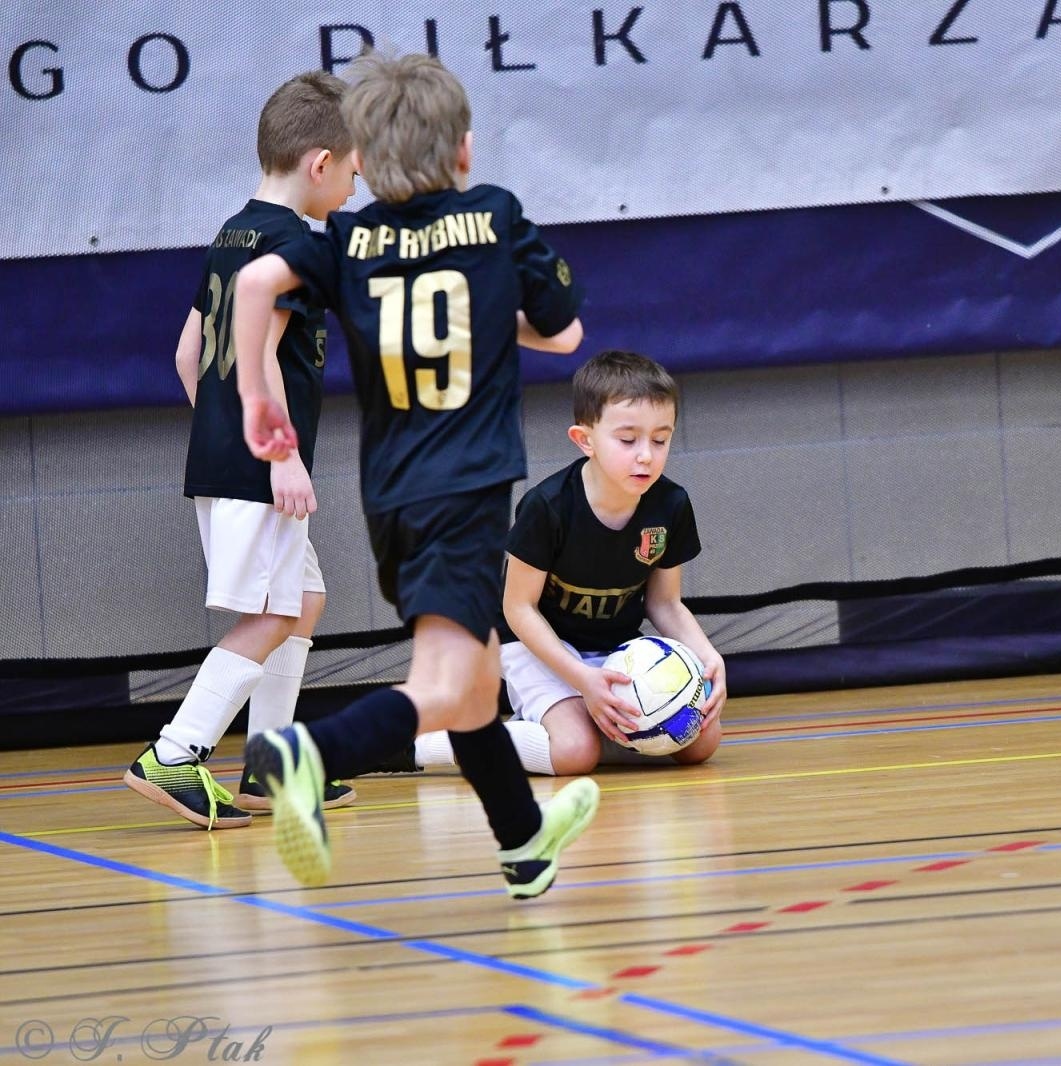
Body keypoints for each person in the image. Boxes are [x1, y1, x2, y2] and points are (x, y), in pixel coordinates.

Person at [230, 52, 598, 896]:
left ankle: (524, 844)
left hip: (390, 497)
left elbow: (255, 284)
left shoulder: (348, 239)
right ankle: (301, 754)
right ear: (463, 151)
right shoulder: (495, 217)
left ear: (363, 156)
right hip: (465, 492)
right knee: (442, 681)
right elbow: (566, 333)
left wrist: (258, 398)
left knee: (475, 681)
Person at [123, 72, 359, 830]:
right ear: (320, 163)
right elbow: (259, 354)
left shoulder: (234, 229)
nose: (360, 181)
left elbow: (189, 354)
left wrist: (227, 429)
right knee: (268, 614)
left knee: (303, 598)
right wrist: (278, 453)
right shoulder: (295, 244)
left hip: (226, 456)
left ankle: (268, 765)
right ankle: (176, 750)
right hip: (262, 464)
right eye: (356, 167)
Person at [401, 349, 726, 777]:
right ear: (584, 439)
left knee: (701, 740)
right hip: (536, 646)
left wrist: (707, 656)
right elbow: (518, 609)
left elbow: (664, 603)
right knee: (574, 752)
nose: (646, 454)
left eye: (660, 439)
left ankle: (586, 731)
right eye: (628, 440)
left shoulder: (672, 504)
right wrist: (580, 679)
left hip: (617, 650)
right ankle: (426, 744)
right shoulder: (548, 507)